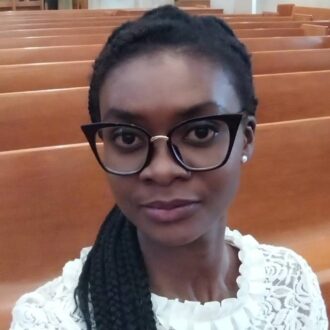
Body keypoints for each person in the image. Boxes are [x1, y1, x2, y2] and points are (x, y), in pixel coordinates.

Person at [11, 5, 328, 330]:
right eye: (127, 137)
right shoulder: (52, 320)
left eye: (200, 132)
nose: (162, 170)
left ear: (245, 138)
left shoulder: (292, 282)